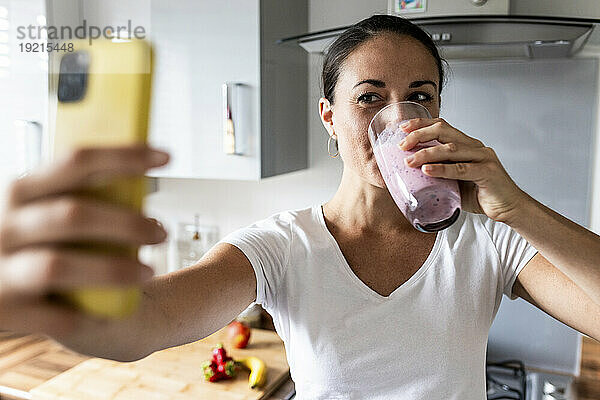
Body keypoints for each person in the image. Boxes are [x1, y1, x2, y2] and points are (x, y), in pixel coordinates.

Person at [0, 14, 598, 399]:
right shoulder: (284, 246)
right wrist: (47, 294)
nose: (399, 118)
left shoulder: (487, 238)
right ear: (330, 119)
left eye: (420, 96)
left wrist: (516, 206)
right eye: (369, 98)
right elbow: (147, 320)